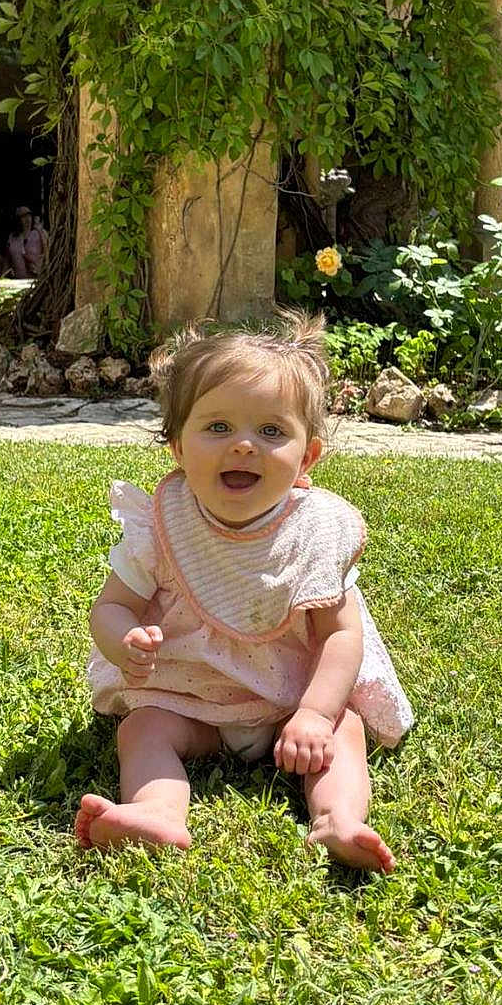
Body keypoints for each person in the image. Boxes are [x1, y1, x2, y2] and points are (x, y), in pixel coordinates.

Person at [76, 312, 412, 873]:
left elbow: (341, 637)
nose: (244, 447)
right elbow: (111, 606)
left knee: (343, 728)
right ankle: (157, 809)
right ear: (177, 447)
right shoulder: (161, 528)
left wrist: (312, 713)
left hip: (290, 701)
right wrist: (121, 638)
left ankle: (337, 818)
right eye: (217, 428)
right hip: (192, 702)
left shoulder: (315, 533)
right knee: (143, 728)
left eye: (272, 432)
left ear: (307, 459)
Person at [6, 206, 49, 278]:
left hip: (36, 278)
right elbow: (7, 260)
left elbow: (47, 253)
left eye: (29, 215)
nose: (27, 219)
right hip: (19, 279)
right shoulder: (12, 238)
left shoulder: (39, 234)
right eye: (23, 216)